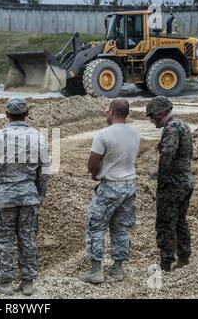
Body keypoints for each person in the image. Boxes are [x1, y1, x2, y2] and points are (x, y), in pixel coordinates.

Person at [0, 98, 49, 296]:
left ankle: (6, 282)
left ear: (7, 114)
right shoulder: (39, 137)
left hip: (3, 199)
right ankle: (28, 283)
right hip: (29, 197)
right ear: (26, 114)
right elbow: (44, 172)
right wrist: (40, 195)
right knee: (28, 238)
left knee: (4, 240)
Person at [79, 98, 140, 284]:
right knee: (121, 227)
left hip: (110, 186)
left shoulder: (103, 135)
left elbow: (92, 163)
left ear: (112, 112)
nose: (106, 112)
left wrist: (95, 174)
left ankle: (96, 270)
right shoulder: (135, 134)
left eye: (108, 109)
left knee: (95, 225)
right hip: (129, 185)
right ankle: (117, 269)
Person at [146, 96, 193, 272]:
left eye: (152, 116)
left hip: (173, 185)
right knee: (181, 220)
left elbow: (167, 155)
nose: (151, 121)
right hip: (186, 181)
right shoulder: (183, 125)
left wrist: (161, 181)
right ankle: (184, 257)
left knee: (165, 223)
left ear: (161, 113)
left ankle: (166, 263)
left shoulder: (172, 128)